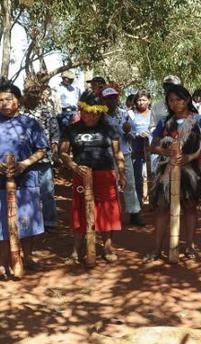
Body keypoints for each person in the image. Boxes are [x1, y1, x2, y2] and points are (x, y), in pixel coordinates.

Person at [146, 84, 201, 260]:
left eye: (179, 99)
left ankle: (190, 246)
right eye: (171, 100)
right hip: (167, 170)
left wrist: (191, 157)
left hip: (192, 170)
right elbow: (154, 146)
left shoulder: (200, 121)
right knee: (162, 207)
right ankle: (157, 248)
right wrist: (167, 153)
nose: (175, 103)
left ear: (186, 100)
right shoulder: (164, 122)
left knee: (190, 207)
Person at [59, 90, 126, 263]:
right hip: (81, 175)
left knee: (107, 209)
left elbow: (118, 153)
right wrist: (74, 166)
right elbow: (63, 153)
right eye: (88, 113)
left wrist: (122, 173)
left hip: (105, 174)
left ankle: (107, 246)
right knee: (80, 210)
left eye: (96, 113)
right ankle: (76, 249)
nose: (92, 117)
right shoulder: (71, 129)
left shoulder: (109, 128)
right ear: (81, 110)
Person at [0, 83, 48, 277]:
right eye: (0, 100)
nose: (3, 103)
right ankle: (3, 262)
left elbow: (42, 149)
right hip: (0, 181)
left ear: (18, 101)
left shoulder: (30, 123)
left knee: (26, 221)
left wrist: (24, 164)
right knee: (2, 223)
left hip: (26, 179)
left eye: (8, 99)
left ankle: (27, 257)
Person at [102, 87, 143, 226]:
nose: (111, 101)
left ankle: (134, 213)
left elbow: (133, 133)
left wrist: (127, 133)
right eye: (108, 98)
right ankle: (111, 214)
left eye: (113, 97)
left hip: (124, 153)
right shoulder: (100, 116)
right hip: (106, 155)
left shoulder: (125, 115)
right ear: (103, 100)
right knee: (109, 185)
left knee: (129, 183)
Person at [22, 81, 60, 231]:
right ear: (25, 92)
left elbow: (54, 132)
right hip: (25, 159)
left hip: (44, 157)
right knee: (28, 191)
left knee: (47, 191)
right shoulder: (20, 112)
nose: (33, 95)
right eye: (30, 92)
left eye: (36, 92)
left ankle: (49, 221)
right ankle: (29, 223)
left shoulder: (47, 110)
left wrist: (55, 151)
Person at [129, 89, 153, 207]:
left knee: (152, 174)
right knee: (137, 176)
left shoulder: (153, 114)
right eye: (139, 100)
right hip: (136, 148)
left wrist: (149, 133)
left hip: (151, 149)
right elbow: (128, 131)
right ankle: (138, 201)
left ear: (149, 101)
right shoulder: (131, 114)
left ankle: (153, 200)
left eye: (144, 100)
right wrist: (136, 135)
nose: (141, 102)